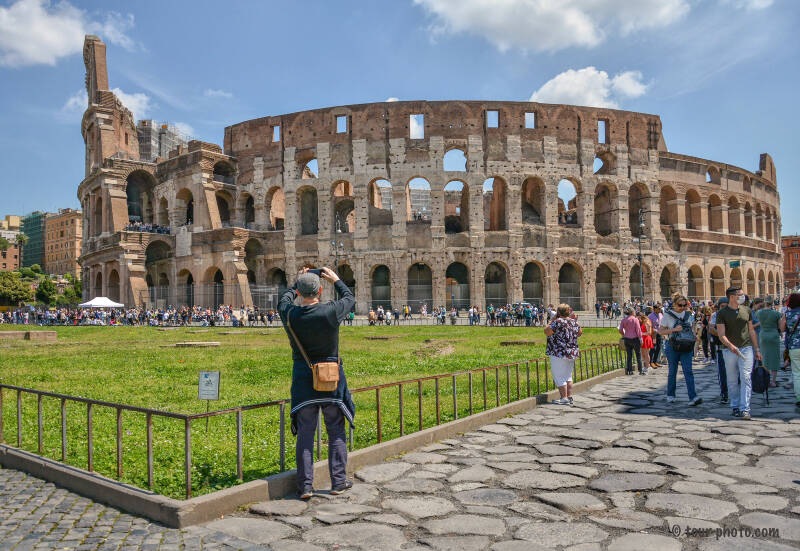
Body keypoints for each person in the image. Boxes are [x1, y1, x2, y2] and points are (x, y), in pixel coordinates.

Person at [278, 267, 355, 498]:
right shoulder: (330, 311)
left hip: (304, 381)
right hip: (331, 379)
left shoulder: (290, 314)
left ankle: (305, 486)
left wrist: (297, 282)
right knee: (336, 430)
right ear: (320, 290)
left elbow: (283, 301)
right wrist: (336, 280)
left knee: (305, 434)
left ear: (299, 293)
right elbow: (349, 298)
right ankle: (338, 482)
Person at [716, 286, 761, 420]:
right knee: (732, 379)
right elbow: (721, 334)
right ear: (732, 297)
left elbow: (751, 330)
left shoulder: (747, 310)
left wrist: (757, 349)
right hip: (729, 350)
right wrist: (730, 346)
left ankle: (745, 408)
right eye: (740, 295)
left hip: (746, 348)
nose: (743, 296)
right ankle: (735, 405)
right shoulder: (722, 313)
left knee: (746, 377)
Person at [659, 294, 702, 406]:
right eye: (680, 305)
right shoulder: (667, 315)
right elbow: (661, 331)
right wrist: (674, 329)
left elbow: (691, 328)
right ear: (674, 304)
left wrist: (694, 335)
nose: (682, 307)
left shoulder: (688, 314)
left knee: (688, 371)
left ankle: (693, 397)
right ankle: (671, 394)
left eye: (684, 305)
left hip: (686, 345)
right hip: (672, 345)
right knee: (672, 371)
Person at [545, 304, 582, 405]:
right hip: (572, 352)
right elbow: (579, 333)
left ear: (558, 312)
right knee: (568, 376)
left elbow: (547, 332)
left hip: (558, 352)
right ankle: (569, 397)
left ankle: (563, 398)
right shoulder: (573, 322)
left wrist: (550, 321)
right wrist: (575, 321)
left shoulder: (557, 322)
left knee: (559, 376)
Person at [756, 298, 784, 388]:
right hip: (773, 335)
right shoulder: (776, 313)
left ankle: (766, 379)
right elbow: (780, 327)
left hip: (763, 335)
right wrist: (780, 333)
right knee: (775, 358)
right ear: (772, 303)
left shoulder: (759, 313)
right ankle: (773, 381)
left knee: (765, 357)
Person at [709, 297, 729, 404]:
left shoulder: (733, 314)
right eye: (722, 306)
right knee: (722, 372)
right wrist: (722, 336)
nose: (724, 308)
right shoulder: (715, 315)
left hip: (735, 346)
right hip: (721, 347)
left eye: (726, 306)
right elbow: (711, 328)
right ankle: (724, 393)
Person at [784, 293, 800, 408]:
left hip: (794, 347)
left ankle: (799, 397)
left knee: (797, 373)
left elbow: (781, 328)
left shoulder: (787, 314)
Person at [619, 307, 644, 375]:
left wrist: (624, 334)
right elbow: (638, 330)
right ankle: (640, 370)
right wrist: (641, 339)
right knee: (638, 355)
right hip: (635, 339)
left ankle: (630, 370)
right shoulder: (635, 319)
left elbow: (620, 330)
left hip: (627, 338)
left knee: (629, 355)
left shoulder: (623, 320)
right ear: (633, 312)